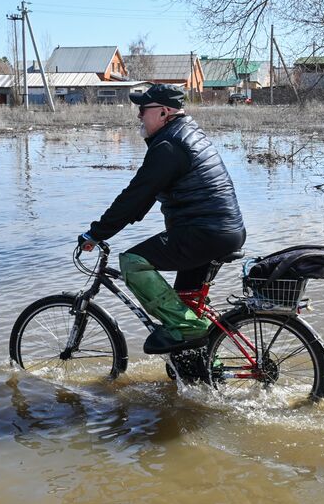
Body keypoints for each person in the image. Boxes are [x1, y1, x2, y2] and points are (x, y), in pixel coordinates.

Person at [79, 85, 246, 354]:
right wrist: (112, 226)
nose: (139, 116)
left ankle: (190, 328)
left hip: (205, 233)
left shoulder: (169, 145)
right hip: (219, 231)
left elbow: (135, 195)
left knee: (132, 263)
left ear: (164, 112)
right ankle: (201, 367)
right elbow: (144, 197)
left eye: (143, 109)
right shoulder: (185, 134)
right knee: (184, 307)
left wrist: (96, 233)